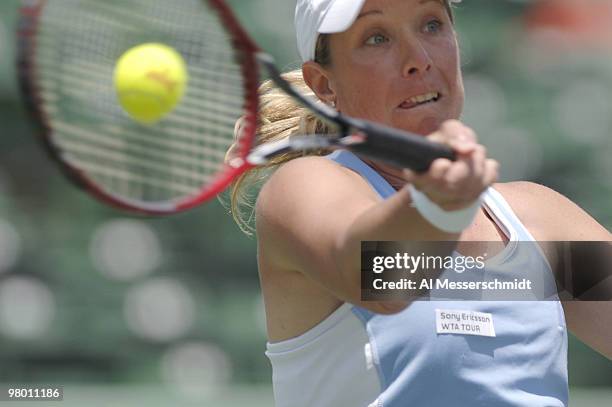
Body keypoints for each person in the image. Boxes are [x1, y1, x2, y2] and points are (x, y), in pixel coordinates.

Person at [227, 0, 612, 406]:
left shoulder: (541, 222)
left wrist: (441, 201)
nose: (419, 59)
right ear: (324, 85)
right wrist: (437, 203)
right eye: (377, 38)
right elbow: (383, 281)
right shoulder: (304, 188)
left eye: (432, 25)